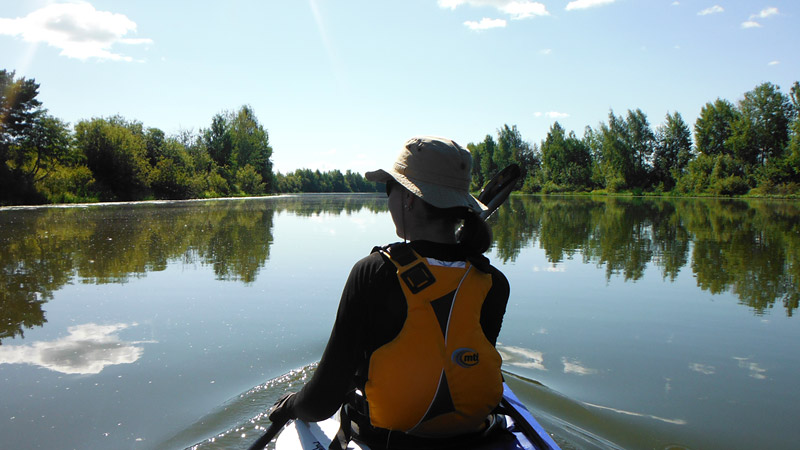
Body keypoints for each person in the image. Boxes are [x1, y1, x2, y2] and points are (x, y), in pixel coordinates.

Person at [268, 136, 510, 449]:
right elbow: (458, 366)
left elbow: (323, 401)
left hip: (386, 440)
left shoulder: (374, 273)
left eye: (389, 189)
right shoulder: (492, 281)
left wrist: (290, 405)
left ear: (408, 198)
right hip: (474, 435)